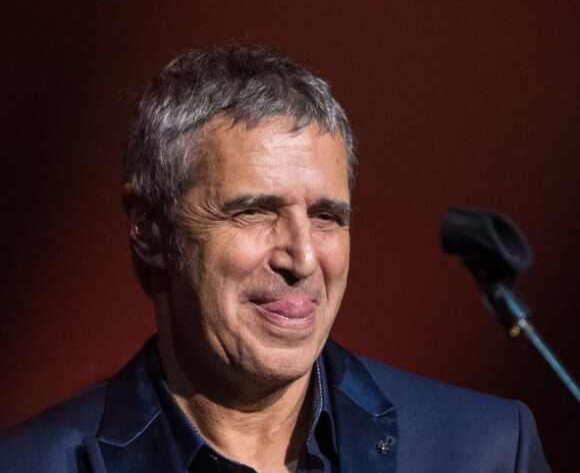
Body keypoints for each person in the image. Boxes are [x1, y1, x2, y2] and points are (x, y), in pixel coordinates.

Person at [0, 46, 550, 472]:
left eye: (327, 217)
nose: (304, 258)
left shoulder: (486, 450)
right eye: (255, 212)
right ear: (148, 230)